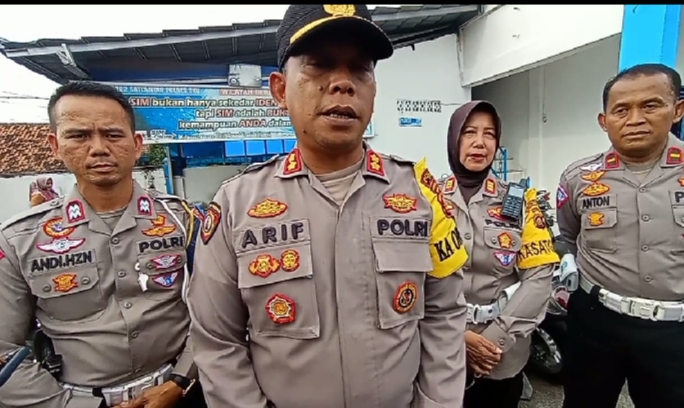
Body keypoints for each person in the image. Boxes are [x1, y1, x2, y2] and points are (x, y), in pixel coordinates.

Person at [187, 4, 469, 408]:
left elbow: (444, 314)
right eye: (319, 66)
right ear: (281, 90)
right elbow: (217, 340)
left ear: (373, 89)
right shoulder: (236, 204)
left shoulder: (420, 194)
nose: (342, 84)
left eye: (360, 70)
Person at [0, 81, 205, 408]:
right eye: (79, 135)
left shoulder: (186, 221)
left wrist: (182, 379)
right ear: (55, 145)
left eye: (112, 134)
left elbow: (216, 315)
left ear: (137, 144)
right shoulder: (18, 240)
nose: (98, 148)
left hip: (183, 393)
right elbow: (4, 351)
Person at [557, 63, 684, 408]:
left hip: (682, 331)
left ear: (678, 110)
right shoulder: (579, 178)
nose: (635, 119)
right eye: (621, 110)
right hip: (597, 324)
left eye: (650, 105)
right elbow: (568, 237)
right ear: (604, 121)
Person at [440, 101, 559, 408]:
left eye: (489, 134)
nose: (480, 142)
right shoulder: (427, 197)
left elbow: (539, 279)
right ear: (454, 138)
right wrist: (459, 338)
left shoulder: (521, 202)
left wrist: (495, 339)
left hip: (500, 356)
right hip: (438, 344)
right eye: (469, 132)